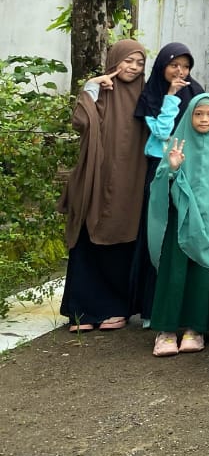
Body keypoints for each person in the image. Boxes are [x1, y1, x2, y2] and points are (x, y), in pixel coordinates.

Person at [58, 40, 148, 333]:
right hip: (95, 180)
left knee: (120, 241)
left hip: (129, 182)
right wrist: (91, 87)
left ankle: (115, 309)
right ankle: (82, 312)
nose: (133, 68)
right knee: (86, 239)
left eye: (139, 63)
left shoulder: (146, 94)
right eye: (128, 61)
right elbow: (81, 121)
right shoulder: (102, 91)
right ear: (114, 60)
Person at [146, 94, 209, 357]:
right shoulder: (179, 142)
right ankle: (165, 330)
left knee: (201, 275)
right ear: (190, 116)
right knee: (173, 273)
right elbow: (161, 180)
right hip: (181, 219)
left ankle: (196, 329)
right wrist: (172, 168)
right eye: (199, 114)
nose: (204, 119)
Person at [132, 42, 202, 322]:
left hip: (188, 167)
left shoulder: (196, 92)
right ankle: (151, 309)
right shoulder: (152, 94)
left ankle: (183, 308)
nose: (180, 71)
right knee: (157, 232)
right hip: (159, 167)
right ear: (162, 66)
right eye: (174, 65)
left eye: (185, 66)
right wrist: (171, 96)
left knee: (183, 230)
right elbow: (161, 132)